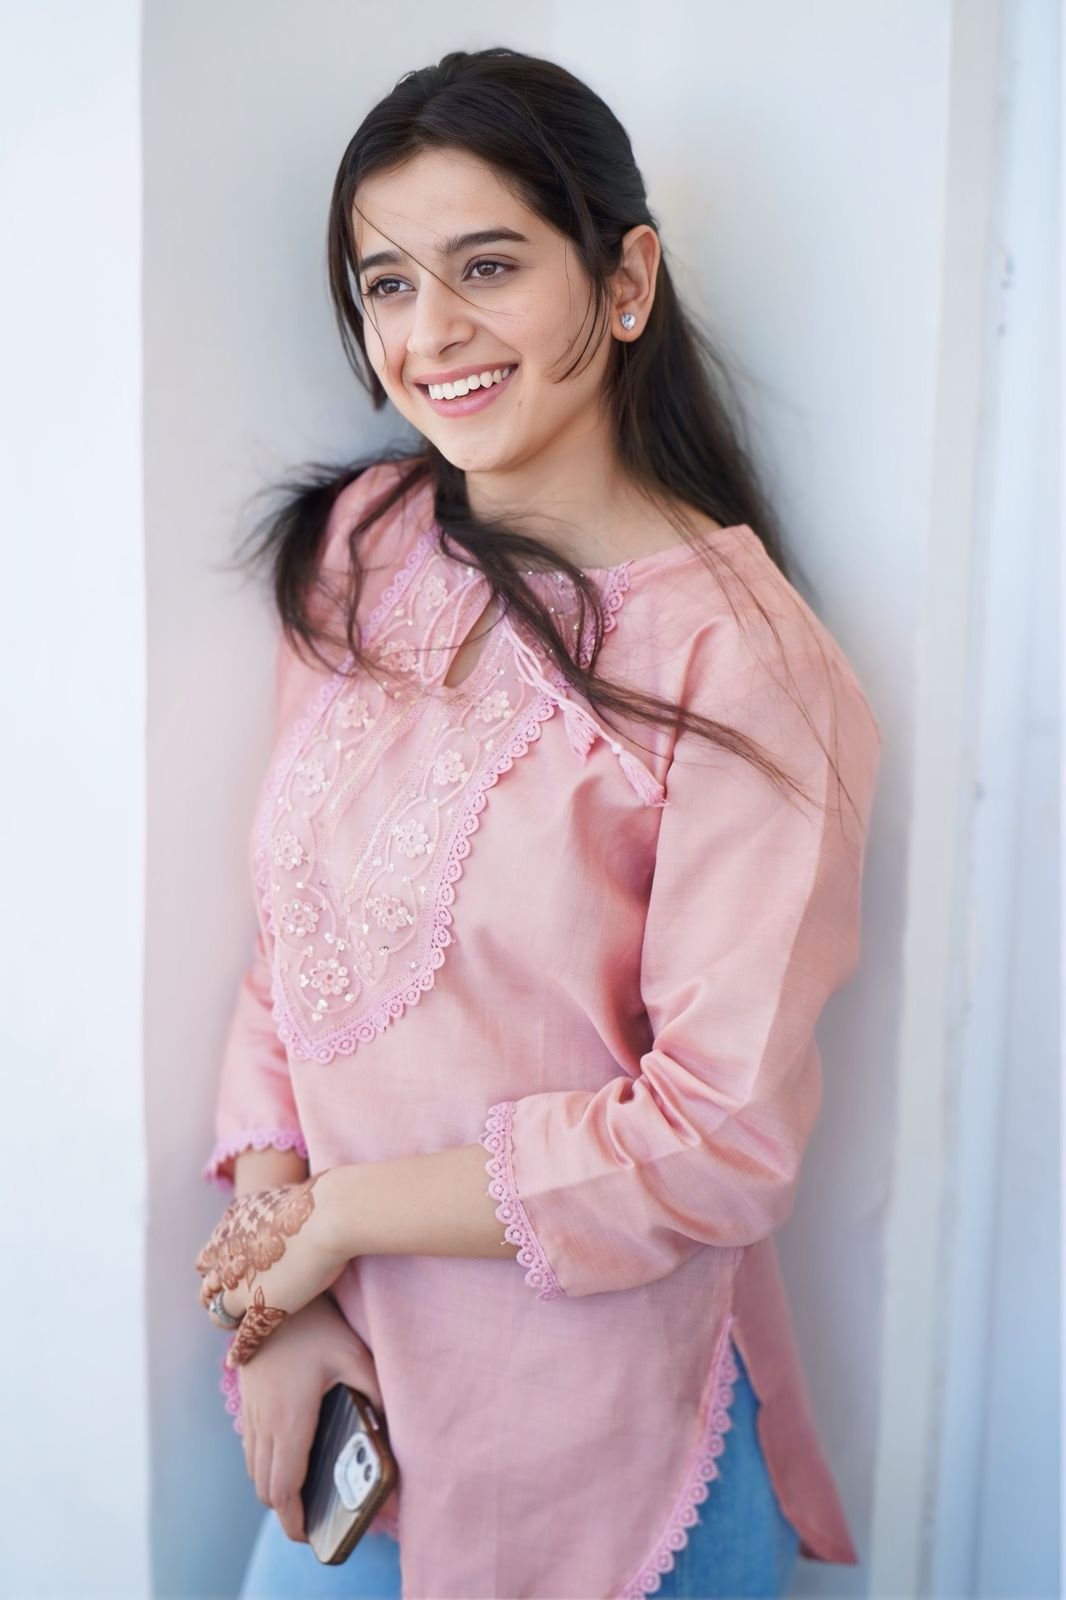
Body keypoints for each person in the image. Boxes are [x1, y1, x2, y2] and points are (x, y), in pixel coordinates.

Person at [194, 45, 882, 1600]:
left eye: (487, 266)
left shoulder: (744, 666)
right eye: (386, 284)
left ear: (624, 281)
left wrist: (337, 1224)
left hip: (603, 1454)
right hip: (351, 1411)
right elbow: (289, 959)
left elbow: (717, 1141)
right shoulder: (368, 544)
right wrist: (280, 1302)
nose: (429, 332)